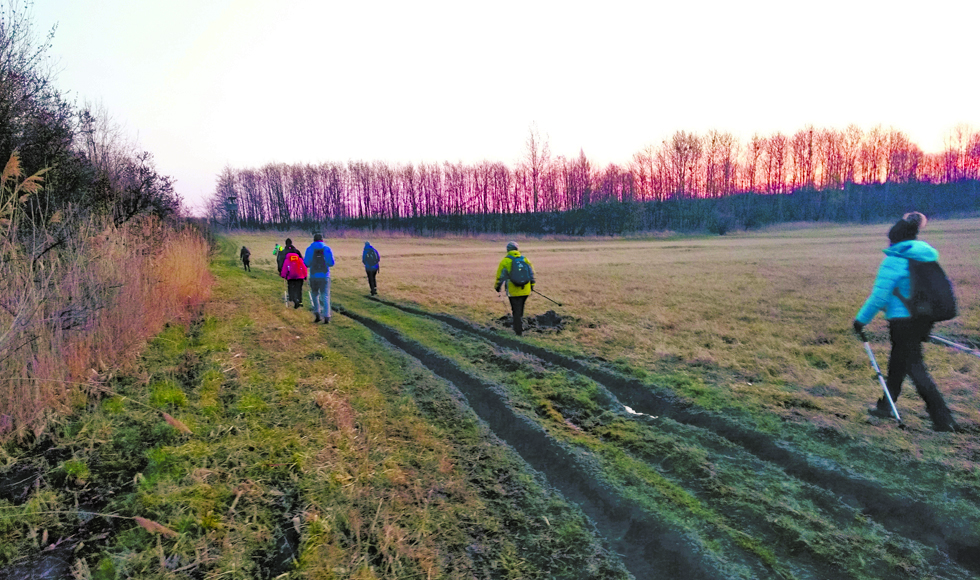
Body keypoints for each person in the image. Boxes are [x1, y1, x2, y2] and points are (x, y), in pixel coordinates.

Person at [853, 212, 957, 432]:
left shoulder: (894, 260)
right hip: (923, 319)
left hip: (903, 322)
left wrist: (860, 321)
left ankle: (942, 418)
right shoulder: (924, 256)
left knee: (914, 367)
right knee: (898, 364)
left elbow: (879, 297)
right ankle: (885, 406)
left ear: (895, 238)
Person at [494, 241, 535, 336]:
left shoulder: (505, 261)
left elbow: (500, 277)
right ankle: (519, 325)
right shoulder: (525, 259)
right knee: (520, 309)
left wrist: (497, 287)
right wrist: (532, 286)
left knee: (515, 310)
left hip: (513, 290)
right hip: (525, 289)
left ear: (507, 250)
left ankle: (518, 331)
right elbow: (532, 274)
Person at [304, 233, 335, 323]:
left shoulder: (309, 249)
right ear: (322, 240)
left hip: (313, 276)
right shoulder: (327, 249)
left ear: (313, 240)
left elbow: (306, 263)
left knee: (314, 295)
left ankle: (317, 313)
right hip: (325, 276)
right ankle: (326, 316)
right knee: (325, 295)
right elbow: (331, 263)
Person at [279, 238, 306, 309]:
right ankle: (299, 301)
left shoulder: (285, 254)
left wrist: (282, 274)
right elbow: (303, 264)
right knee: (299, 288)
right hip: (299, 275)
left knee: (291, 287)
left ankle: (293, 299)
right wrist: (305, 275)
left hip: (290, 275)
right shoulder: (297, 252)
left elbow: (283, 265)